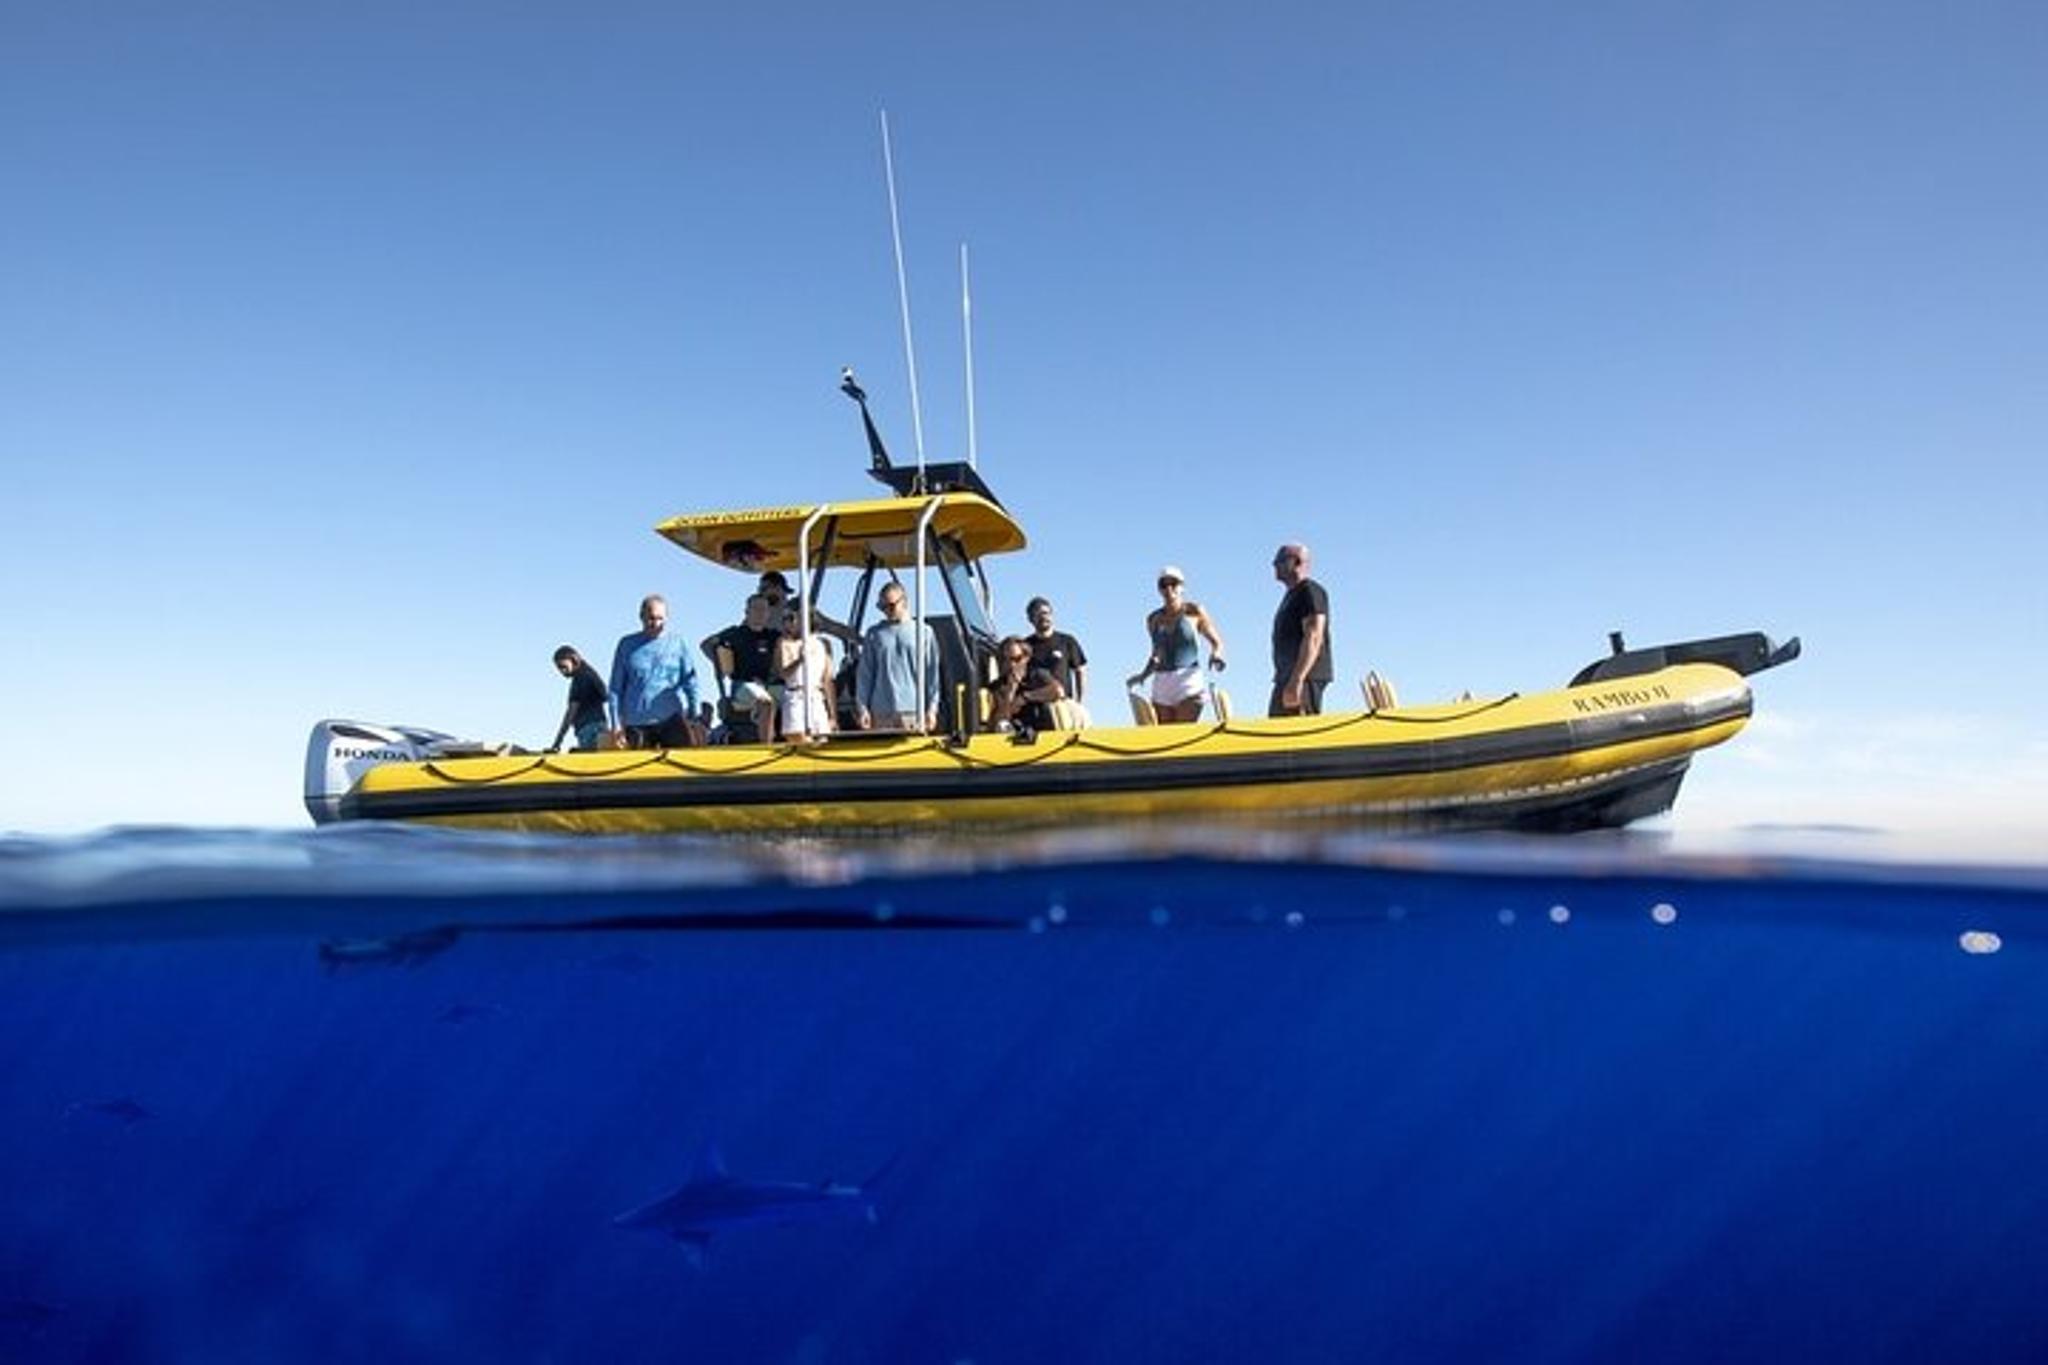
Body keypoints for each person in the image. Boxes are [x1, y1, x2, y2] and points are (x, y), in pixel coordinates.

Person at [1126, 566, 1226, 723]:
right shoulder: (1153, 619)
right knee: (1166, 734)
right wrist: (1143, 675)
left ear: (1182, 587)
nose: (1169, 589)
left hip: (1188, 680)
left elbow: (1217, 642)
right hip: (1162, 682)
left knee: (1183, 730)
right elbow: (1157, 654)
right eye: (1164, 585)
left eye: (1174, 583)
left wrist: (1217, 655)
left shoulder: (1194, 611)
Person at [608, 594, 700, 749]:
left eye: (660, 619)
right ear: (641, 617)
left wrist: (694, 715)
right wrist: (616, 724)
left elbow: (691, 682)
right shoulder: (626, 644)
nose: (656, 624)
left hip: (671, 719)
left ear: (667, 618)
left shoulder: (678, 643)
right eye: (651, 618)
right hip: (637, 723)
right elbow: (615, 688)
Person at [856, 582, 940, 731]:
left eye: (891, 605)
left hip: (914, 711)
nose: (886, 611)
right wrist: (862, 708)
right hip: (881, 713)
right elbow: (865, 674)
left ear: (904, 601)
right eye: (882, 607)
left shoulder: (924, 632)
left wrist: (932, 709)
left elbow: (932, 674)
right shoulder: (874, 634)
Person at [701, 592, 781, 742]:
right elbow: (706, 644)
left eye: (763, 609)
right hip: (743, 685)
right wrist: (720, 664)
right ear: (747, 612)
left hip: (768, 684)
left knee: (795, 697)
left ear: (768, 613)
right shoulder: (735, 633)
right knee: (766, 702)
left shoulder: (773, 636)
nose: (760, 613)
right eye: (756, 608)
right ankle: (767, 746)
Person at [1270, 542, 1332, 717]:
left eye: (1280, 560)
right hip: (1285, 677)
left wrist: (1298, 679)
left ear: (1297, 562)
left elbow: (1314, 636)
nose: (1274, 565)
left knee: (1297, 729)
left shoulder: (1309, 591)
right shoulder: (1291, 595)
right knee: (1276, 729)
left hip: (1304, 677)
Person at [775, 608, 837, 742]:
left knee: (822, 739)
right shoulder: (784, 643)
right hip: (795, 694)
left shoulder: (822, 644)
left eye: (796, 618)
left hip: (816, 696)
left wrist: (833, 715)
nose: (792, 622)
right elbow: (783, 673)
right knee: (797, 737)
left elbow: (827, 680)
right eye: (791, 619)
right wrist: (799, 660)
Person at [987, 635, 1065, 734]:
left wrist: (1025, 697)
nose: (1011, 665)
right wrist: (1010, 691)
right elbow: (997, 723)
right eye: (1006, 660)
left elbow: (1058, 691)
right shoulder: (998, 686)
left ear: (1026, 658)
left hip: (1042, 734)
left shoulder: (1037, 675)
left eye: (1016, 659)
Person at [1024, 597, 1088, 705]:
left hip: (1063, 704)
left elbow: (1080, 671)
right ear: (1030, 619)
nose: (1043, 617)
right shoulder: (1025, 645)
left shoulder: (1067, 641)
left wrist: (1079, 701)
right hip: (1034, 706)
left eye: (1046, 613)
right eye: (1038, 614)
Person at [546, 646, 609, 752]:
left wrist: (557, 742)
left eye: (563, 666)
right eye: (559, 668)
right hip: (599, 726)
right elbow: (605, 695)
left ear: (574, 660)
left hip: (589, 729)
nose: (562, 671)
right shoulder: (590, 673)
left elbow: (571, 713)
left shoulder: (581, 678)